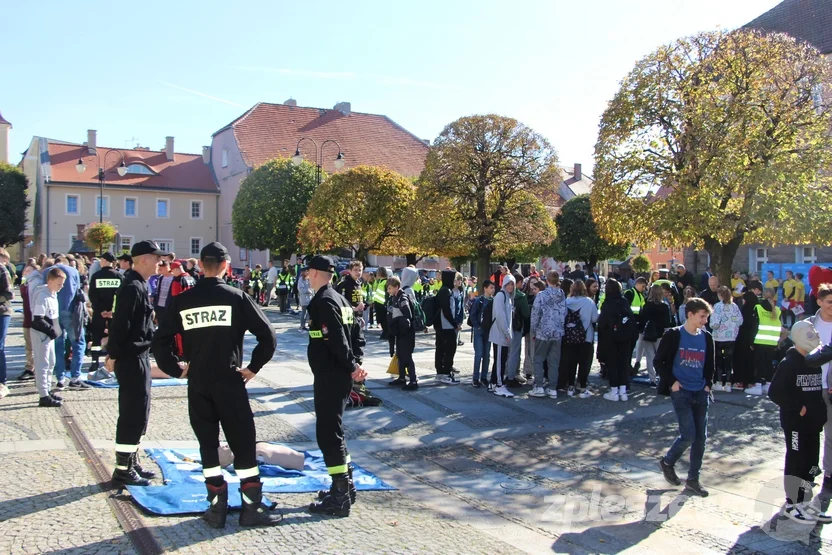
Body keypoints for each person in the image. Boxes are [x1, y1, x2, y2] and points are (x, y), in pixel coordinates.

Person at [152, 242, 281, 528]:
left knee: (207, 445)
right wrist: (252, 368)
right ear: (225, 265)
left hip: (198, 382)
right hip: (229, 379)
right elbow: (268, 337)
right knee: (243, 444)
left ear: (199, 264)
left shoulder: (184, 300)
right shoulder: (236, 297)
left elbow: (160, 341)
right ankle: (251, 509)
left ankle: (216, 508)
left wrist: (177, 369)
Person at [305, 255, 367, 517]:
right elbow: (357, 334)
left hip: (331, 375)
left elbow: (337, 339)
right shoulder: (340, 298)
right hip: (337, 374)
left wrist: (353, 366)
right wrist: (356, 363)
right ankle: (346, 485)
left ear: (317, 273)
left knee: (328, 434)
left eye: (308, 272)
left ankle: (339, 495)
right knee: (335, 432)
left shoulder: (324, 301)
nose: (306, 276)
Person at [105, 241, 167, 487]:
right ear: (143, 259)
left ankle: (131, 459)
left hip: (138, 355)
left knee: (141, 411)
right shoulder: (132, 286)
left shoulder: (140, 284)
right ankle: (122, 469)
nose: (159, 263)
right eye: (156, 258)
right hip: (131, 357)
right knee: (132, 413)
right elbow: (121, 325)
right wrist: (113, 355)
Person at [769, 320, 831, 523]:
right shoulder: (789, 363)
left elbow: (813, 391)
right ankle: (793, 504)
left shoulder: (813, 362)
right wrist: (798, 407)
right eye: (810, 332)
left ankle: (805, 503)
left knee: (811, 463)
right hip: (796, 424)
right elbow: (775, 392)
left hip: (812, 424)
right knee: (796, 460)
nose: (814, 335)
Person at [656, 297, 715, 498]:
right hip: (681, 391)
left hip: (701, 392)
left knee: (701, 439)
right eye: (701, 316)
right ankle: (668, 461)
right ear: (689, 315)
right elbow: (659, 361)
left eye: (706, 317)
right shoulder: (673, 335)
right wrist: (672, 382)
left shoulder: (707, 337)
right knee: (688, 434)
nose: (704, 321)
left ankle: (693, 480)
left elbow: (710, 365)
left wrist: (708, 385)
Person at [41, 254, 89, 391]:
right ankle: (75, 378)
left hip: (52, 313)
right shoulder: (73, 271)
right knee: (78, 342)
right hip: (70, 312)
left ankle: (60, 378)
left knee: (58, 345)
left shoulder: (46, 272)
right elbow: (77, 291)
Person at [802, 283, 832, 494]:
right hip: (810, 387)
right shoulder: (808, 325)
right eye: (829, 302)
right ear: (819, 302)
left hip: (830, 389)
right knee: (809, 434)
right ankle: (809, 473)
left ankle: (830, 475)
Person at [30, 267, 67, 407]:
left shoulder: (53, 294)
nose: (61, 286)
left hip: (49, 335)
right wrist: (52, 331)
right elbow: (38, 319)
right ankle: (43, 395)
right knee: (43, 364)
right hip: (42, 335)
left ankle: (47, 389)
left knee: (51, 362)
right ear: (50, 281)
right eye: (59, 283)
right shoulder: (42, 296)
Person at [598, 279, 636, 402]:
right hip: (625, 337)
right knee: (624, 363)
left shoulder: (608, 303)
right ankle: (623, 391)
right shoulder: (624, 301)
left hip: (611, 338)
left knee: (613, 364)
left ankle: (614, 390)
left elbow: (603, 323)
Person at [529, 271, 566, 399]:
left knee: (539, 359)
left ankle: (539, 386)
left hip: (543, 332)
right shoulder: (562, 295)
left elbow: (535, 314)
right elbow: (564, 313)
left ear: (547, 280)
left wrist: (533, 329)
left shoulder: (541, 295)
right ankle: (552, 388)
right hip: (557, 332)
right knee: (554, 361)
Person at [745, 287, 786, 396]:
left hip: (760, 340)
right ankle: (768, 385)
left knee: (758, 364)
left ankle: (758, 385)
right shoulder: (777, 310)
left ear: (763, 295)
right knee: (769, 364)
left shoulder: (758, 307)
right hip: (772, 341)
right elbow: (780, 327)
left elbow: (754, 326)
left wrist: (751, 341)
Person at [561, 280, 599, 398]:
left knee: (571, 362)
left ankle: (570, 386)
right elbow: (594, 319)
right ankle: (582, 387)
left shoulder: (567, 302)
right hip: (586, 337)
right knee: (584, 363)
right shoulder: (589, 302)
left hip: (570, 337)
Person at [87, 253, 122, 378]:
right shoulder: (119, 276)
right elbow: (120, 295)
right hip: (114, 313)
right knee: (114, 336)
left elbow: (93, 295)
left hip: (99, 312)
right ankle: (112, 361)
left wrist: (101, 310)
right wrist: (112, 310)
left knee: (96, 337)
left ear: (105, 261)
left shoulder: (96, 276)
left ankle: (95, 362)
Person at [709, 286, 743, 392]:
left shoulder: (717, 306)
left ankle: (719, 382)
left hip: (719, 337)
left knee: (718, 360)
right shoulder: (735, 306)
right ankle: (728, 383)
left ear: (720, 295)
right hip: (731, 337)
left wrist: (713, 326)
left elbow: (714, 323)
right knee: (729, 360)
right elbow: (740, 321)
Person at [386, 276, 418, 390]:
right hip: (400, 333)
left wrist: (397, 322)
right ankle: (402, 378)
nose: (388, 291)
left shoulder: (402, 298)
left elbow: (407, 315)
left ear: (396, 287)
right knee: (400, 355)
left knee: (406, 356)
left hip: (406, 333)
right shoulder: (395, 297)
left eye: (389, 288)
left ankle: (413, 381)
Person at [640, 284, 673, 387]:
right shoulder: (664, 306)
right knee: (660, 357)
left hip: (648, 334)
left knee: (650, 357)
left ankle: (652, 378)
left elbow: (642, 321)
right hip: (660, 334)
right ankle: (661, 377)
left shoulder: (646, 306)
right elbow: (667, 323)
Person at [489, 274, 516, 397]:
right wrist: (506, 332)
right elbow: (500, 316)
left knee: (501, 360)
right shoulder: (501, 296)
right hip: (500, 334)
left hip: (503, 334)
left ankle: (494, 382)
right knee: (500, 360)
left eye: (512, 284)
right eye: (509, 284)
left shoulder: (507, 296)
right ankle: (499, 385)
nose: (510, 286)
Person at [435, 269, 461, 384]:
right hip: (446, 326)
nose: (455, 281)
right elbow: (446, 310)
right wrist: (454, 324)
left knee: (441, 349)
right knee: (449, 349)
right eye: (454, 278)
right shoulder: (446, 291)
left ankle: (441, 372)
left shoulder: (444, 290)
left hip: (442, 325)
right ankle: (445, 373)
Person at [505, 272, 530, 387]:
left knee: (507, 353)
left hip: (504, 327)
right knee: (515, 352)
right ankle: (511, 377)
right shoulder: (521, 296)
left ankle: (507, 374)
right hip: (516, 327)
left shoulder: (502, 295)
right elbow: (526, 314)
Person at [469, 279, 494, 387]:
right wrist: (477, 326)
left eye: (494, 288)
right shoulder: (479, 300)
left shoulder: (493, 301)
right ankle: (475, 378)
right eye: (491, 288)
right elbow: (472, 315)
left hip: (489, 330)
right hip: (479, 330)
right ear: (485, 288)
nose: (493, 290)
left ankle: (484, 377)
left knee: (487, 355)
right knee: (479, 354)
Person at [17, 264, 39, 381]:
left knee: (35, 346)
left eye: (28, 271)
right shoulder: (25, 285)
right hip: (27, 319)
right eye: (25, 271)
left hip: (35, 320)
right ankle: (30, 367)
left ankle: (34, 368)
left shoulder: (36, 284)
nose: (25, 273)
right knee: (28, 346)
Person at [372, 267, 390, 340]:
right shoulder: (380, 281)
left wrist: (386, 303)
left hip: (382, 304)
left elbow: (387, 294)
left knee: (384, 319)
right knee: (380, 319)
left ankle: (386, 332)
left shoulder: (385, 282)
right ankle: (384, 331)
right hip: (378, 303)